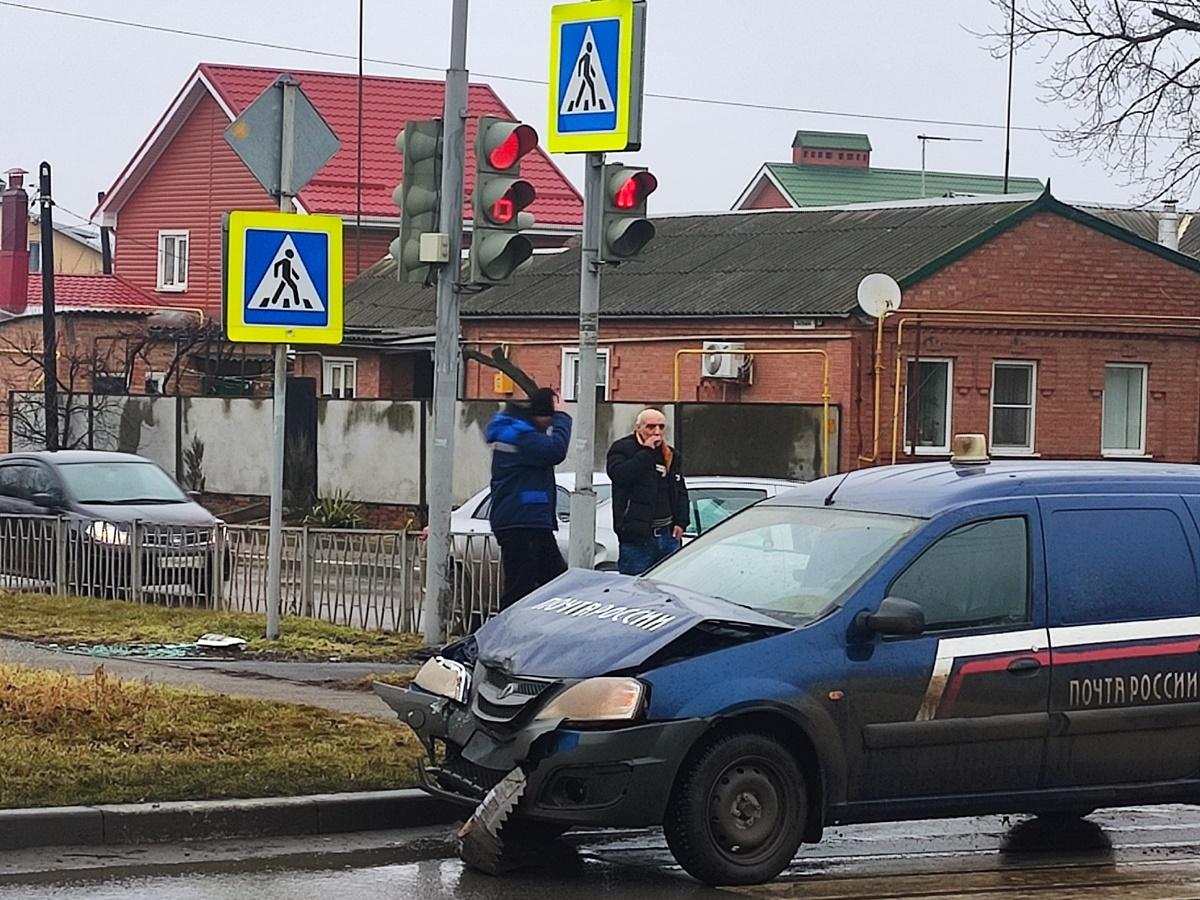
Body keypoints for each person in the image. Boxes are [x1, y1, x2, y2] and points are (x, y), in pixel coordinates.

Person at [485, 387, 572, 610]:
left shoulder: (520, 431)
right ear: (544, 415)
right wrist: (563, 417)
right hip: (522, 520)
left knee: (555, 582)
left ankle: (541, 633)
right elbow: (556, 451)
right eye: (551, 418)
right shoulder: (520, 434)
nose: (552, 425)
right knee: (520, 587)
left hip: (528, 520)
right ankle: (504, 636)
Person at [606, 408, 689, 575]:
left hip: (667, 535)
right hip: (637, 537)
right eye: (650, 427)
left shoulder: (670, 454)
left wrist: (681, 521)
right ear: (638, 428)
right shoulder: (623, 448)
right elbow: (619, 475)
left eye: (661, 427)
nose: (656, 432)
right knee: (634, 586)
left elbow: (679, 489)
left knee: (668, 584)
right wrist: (646, 452)